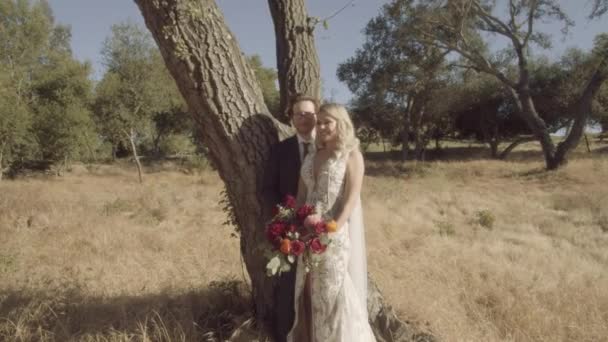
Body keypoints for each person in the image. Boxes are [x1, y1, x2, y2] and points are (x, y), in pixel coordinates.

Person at [288, 103, 376, 341]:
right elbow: (300, 197)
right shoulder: (311, 155)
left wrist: (330, 230)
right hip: (304, 236)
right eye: (320, 122)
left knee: (330, 297)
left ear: (341, 123)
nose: (323, 127)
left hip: (333, 237)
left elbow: (350, 202)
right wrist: (293, 227)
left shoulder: (351, 156)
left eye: (328, 122)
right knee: (305, 294)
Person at [263, 93, 320, 342]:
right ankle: (285, 335)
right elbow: (267, 189)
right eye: (299, 114)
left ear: (317, 115)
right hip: (291, 231)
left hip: (324, 229)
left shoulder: (329, 147)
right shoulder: (280, 151)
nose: (304, 118)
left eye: (309, 113)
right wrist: (285, 219)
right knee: (289, 287)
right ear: (291, 118)